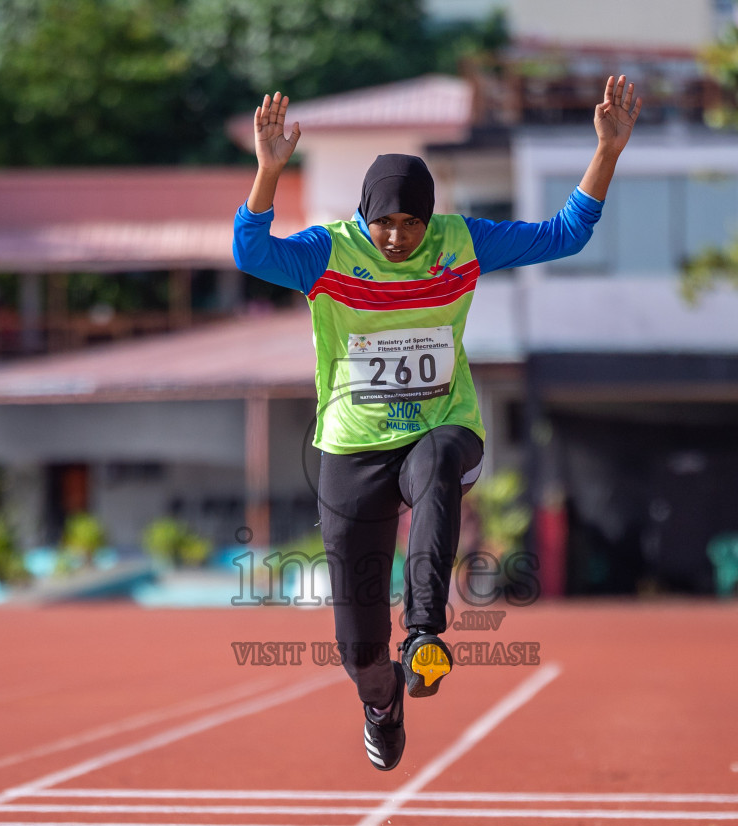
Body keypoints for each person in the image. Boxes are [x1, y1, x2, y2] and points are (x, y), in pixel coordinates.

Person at [234, 77, 642, 771]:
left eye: (411, 224)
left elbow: (565, 234)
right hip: (352, 447)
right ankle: (381, 697)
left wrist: (606, 152)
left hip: (440, 426)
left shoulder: (461, 243)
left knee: (438, 468)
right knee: (356, 650)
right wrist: (269, 173)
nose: (397, 237)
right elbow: (251, 251)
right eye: (384, 223)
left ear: (431, 219)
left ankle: (424, 632)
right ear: (365, 215)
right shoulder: (327, 252)